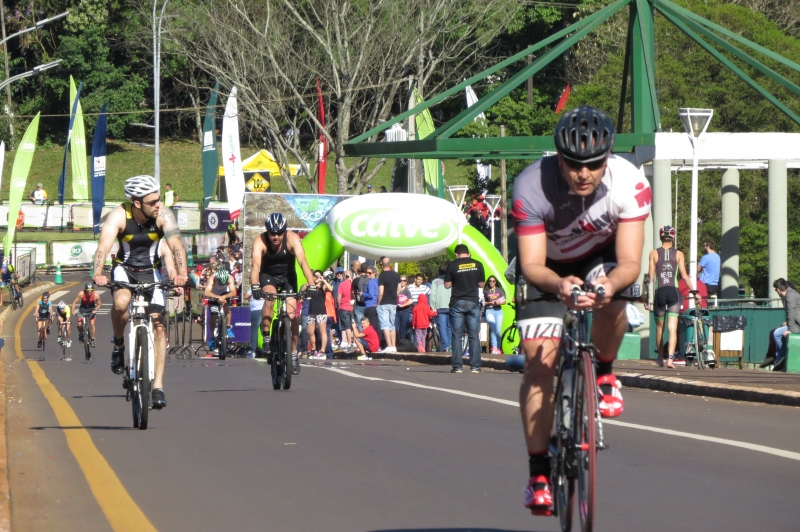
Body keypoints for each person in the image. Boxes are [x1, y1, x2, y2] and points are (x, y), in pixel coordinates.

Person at [511, 105, 650, 515]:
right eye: (573, 164)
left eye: (594, 164)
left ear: (608, 157)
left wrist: (608, 286)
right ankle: (539, 474)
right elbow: (532, 264)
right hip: (547, 268)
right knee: (538, 367)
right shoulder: (531, 185)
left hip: (600, 256)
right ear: (559, 158)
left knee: (617, 297)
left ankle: (604, 372)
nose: (584, 173)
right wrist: (559, 285)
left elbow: (630, 262)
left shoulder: (630, 182)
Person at [92, 175, 189, 410]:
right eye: (152, 202)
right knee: (121, 303)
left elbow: (176, 245)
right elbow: (104, 246)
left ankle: (158, 387)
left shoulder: (163, 214)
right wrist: (98, 272)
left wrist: (181, 273)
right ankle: (119, 346)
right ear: (137, 203)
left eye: (159, 199)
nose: (158, 205)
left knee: (159, 325)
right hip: (124, 269)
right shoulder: (118, 215)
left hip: (151, 271)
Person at [250, 212, 314, 373]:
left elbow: (303, 262)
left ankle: (293, 353)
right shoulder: (260, 240)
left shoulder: (292, 238)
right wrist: (255, 285)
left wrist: (312, 284)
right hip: (268, 276)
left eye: (279, 233)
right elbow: (255, 265)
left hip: (287, 278)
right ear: (267, 231)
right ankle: (266, 336)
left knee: (292, 316)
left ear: (284, 231)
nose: (275, 237)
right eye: (272, 233)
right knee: (270, 297)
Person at [647, 225, 693, 369]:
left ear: (660, 237)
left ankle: (660, 358)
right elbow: (684, 276)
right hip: (674, 292)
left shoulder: (653, 253)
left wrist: (646, 297)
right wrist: (694, 291)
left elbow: (650, 277)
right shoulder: (679, 254)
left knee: (659, 328)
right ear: (673, 237)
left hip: (660, 292)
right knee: (672, 327)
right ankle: (670, 360)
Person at [444, 244, 485, 373]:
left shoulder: (452, 265)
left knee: (457, 336)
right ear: (469, 253)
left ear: (456, 254)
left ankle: (457, 367)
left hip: (457, 302)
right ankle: (475, 367)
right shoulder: (478, 264)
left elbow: (447, 285)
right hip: (473, 302)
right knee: (474, 336)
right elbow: (481, 284)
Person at [763, 278, 800, 370]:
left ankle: (782, 357)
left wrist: (790, 329)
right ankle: (774, 356)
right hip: (796, 322)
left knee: (777, 334)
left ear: (778, 289)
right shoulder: (791, 293)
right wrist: (788, 323)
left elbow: (791, 312)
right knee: (773, 332)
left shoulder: (790, 295)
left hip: (797, 325)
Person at [204, 268, 236, 355]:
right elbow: (206, 292)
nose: (222, 284)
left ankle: (228, 327)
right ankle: (212, 336)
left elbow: (233, 292)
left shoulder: (230, 278)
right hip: (213, 294)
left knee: (227, 308)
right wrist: (218, 297)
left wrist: (224, 297)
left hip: (224, 293)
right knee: (214, 315)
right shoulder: (212, 279)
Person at [377, 257, 401, 353]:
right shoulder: (396, 275)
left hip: (384, 302)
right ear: (390, 264)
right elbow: (399, 288)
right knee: (392, 325)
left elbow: (381, 292)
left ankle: (389, 345)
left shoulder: (382, 276)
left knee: (385, 325)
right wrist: (395, 296)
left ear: (382, 264)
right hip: (393, 302)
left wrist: (378, 303)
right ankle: (393, 346)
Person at [306, 271, 331, 360]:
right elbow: (302, 289)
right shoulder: (310, 286)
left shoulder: (322, 286)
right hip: (311, 311)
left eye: (318, 276)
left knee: (322, 331)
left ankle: (322, 351)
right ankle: (313, 349)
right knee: (310, 331)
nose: (316, 277)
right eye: (315, 276)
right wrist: (309, 281)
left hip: (321, 311)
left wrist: (323, 280)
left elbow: (330, 289)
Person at [71, 282, 102, 347]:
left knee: (92, 324)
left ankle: (93, 339)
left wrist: (96, 309)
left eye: (91, 290)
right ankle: (81, 334)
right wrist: (73, 311)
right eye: (88, 290)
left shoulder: (96, 295)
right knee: (79, 325)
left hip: (91, 309)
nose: (89, 292)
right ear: (85, 290)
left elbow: (99, 304)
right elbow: (74, 302)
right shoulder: (81, 293)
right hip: (83, 309)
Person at [430, 265, 452, 352]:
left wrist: (433, 307)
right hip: (451, 306)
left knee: (442, 326)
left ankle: (445, 346)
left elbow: (433, 295)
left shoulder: (435, 281)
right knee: (450, 327)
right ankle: (449, 345)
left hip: (440, 307)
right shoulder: (452, 280)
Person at [483, 275, 506, 355]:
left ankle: (498, 348)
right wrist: (490, 302)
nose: (491, 282)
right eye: (490, 281)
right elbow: (483, 302)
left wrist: (499, 302)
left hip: (498, 310)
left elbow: (504, 301)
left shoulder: (499, 290)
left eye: (493, 281)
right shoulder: (486, 291)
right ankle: (494, 348)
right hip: (489, 310)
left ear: (496, 282)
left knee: (498, 330)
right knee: (493, 329)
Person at [337, 269, 355, 352]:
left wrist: (338, 306)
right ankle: (350, 342)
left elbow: (339, 298)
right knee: (351, 325)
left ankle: (349, 343)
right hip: (351, 307)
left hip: (343, 307)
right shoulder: (352, 284)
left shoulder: (341, 284)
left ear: (344, 276)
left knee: (346, 327)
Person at [243, 287, 263, 358]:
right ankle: (266, 348)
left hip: (256, 310)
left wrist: (250, 297)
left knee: (254, 331)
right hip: (265, 309)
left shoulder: (254, 287)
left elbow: (246, 296)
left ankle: (252, 350)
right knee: (264, 330)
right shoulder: (265, 286)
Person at [396, 276, 414, 343]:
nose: (402, 282)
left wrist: (403, 305)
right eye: (401, 280)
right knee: (395, 329)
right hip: (397, 312)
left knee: (402, 329)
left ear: (406, 282)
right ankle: (395, 343)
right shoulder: (396, 290)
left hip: (405, 311)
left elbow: (411, 301)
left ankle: (402, 344)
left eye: (404, 280)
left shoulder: (407, 291)